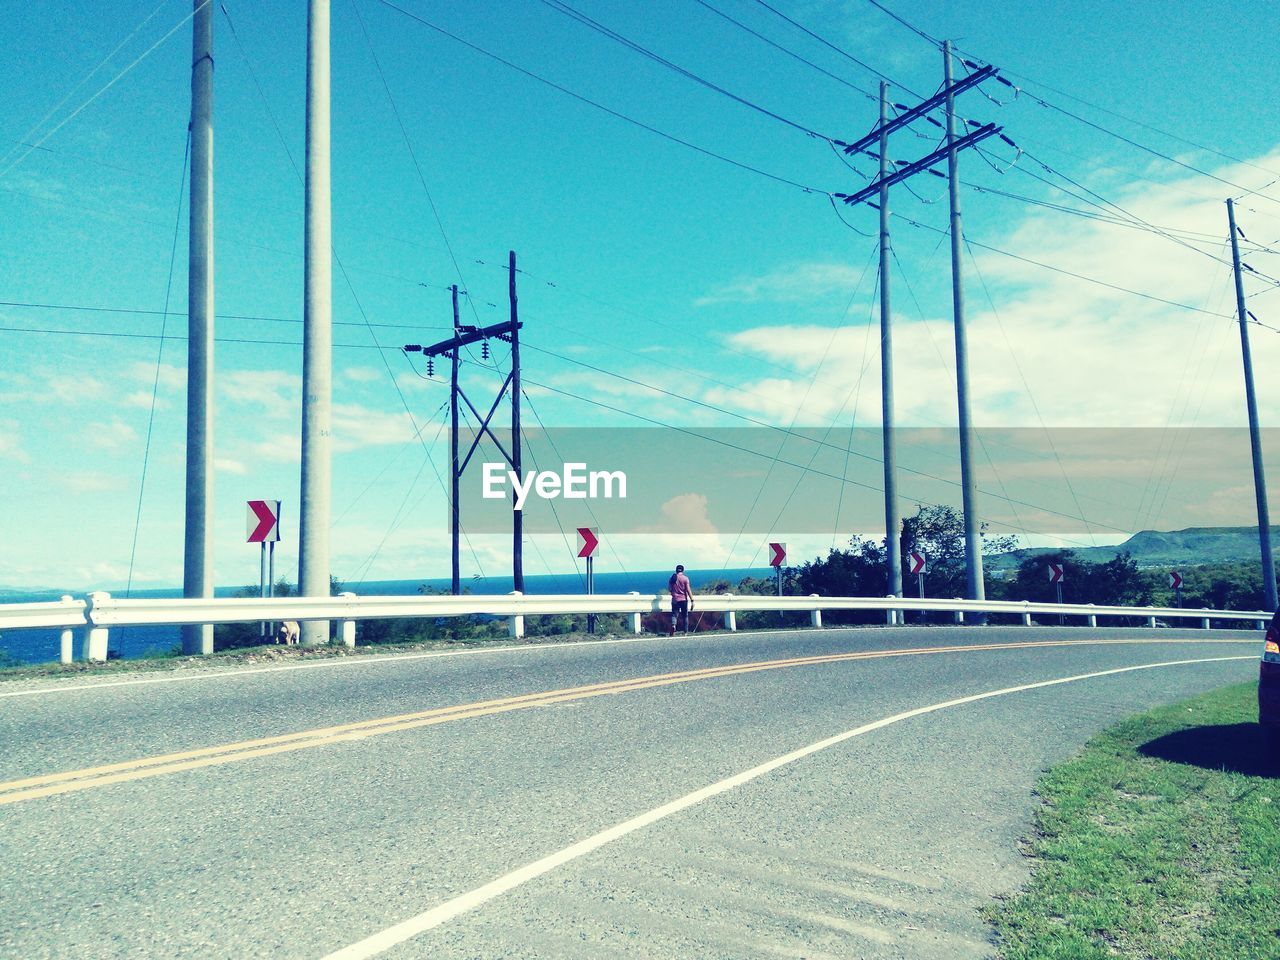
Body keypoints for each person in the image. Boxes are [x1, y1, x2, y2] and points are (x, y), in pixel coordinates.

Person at [668, 564, 693, 635]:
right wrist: (692, 600)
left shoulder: (672, 578)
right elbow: (688, 590)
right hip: (684, 599)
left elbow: (669, 589)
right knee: (685, 616)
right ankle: (685, 632)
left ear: (676, 570)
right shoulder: (685, 578)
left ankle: (673, 626)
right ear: (683, 570)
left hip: (675, 599)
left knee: (674, 615)